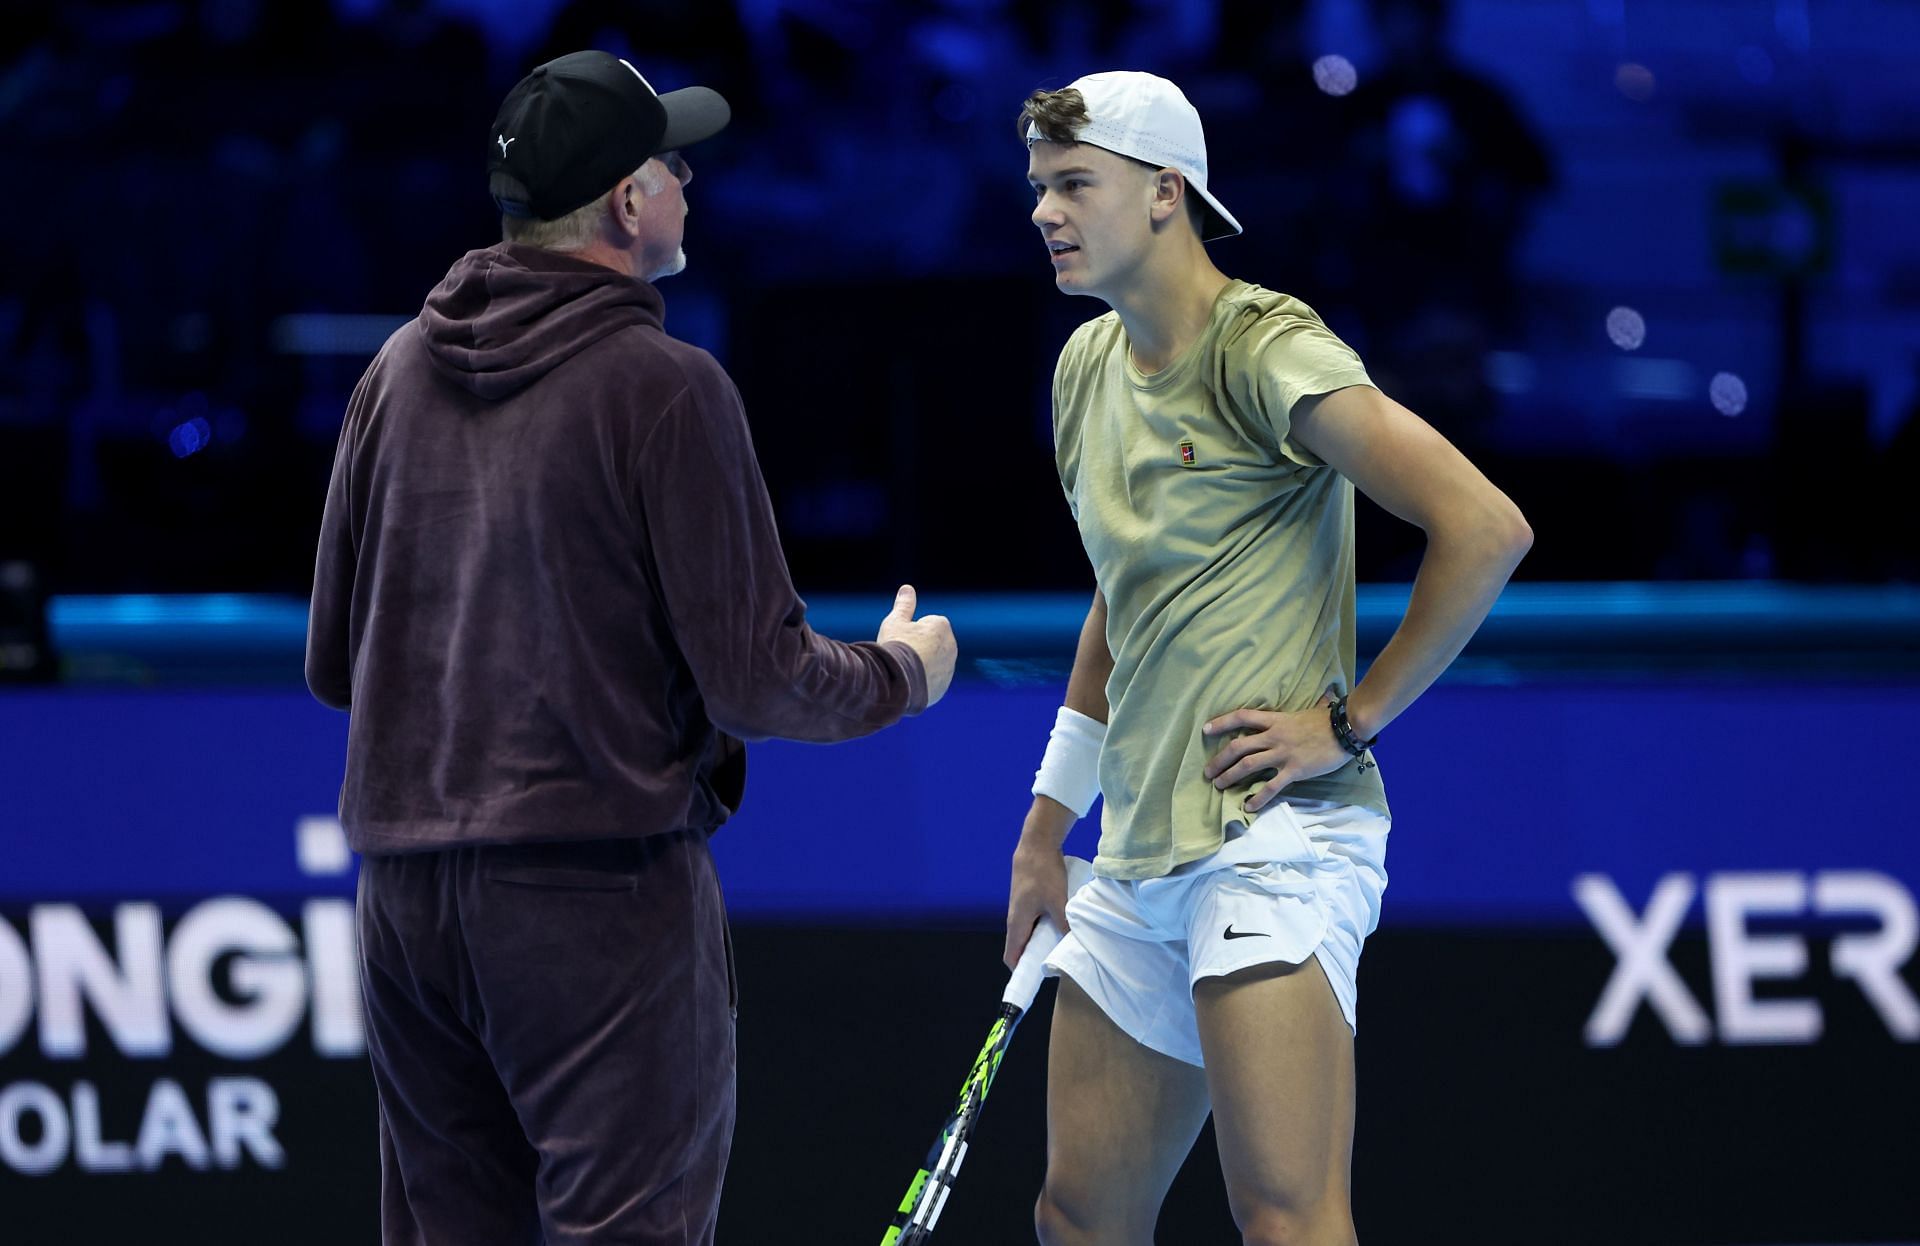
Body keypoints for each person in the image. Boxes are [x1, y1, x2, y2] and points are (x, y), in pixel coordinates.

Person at [305, 49, 957, 1245]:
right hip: (594, 893)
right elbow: (762, 679)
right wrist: (904, 673)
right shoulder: (666, 389)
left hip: (403, 898)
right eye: (673, 161)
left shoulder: (392, 372)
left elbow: (335, 662)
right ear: (625, 203)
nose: (689, 180)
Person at [1002, 72, 1530, 1245]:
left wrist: (1351, 720)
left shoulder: (1265, 347)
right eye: (1040, 187)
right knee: (1078, 1214)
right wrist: (1048, 829)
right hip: (1137, 853)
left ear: (1164, 193)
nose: (1045, 210)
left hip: (1270, 847)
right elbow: (1121, 603)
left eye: (1075, 185)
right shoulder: (1083, 370)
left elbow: (1485, 526)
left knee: (1287, 1218)